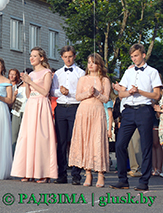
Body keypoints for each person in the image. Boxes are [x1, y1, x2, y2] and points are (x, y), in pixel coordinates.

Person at [111, 44, 162, 191]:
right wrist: (130, 92)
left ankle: (144, 181)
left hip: (144, 110)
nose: (134, 59)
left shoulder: (153, 72)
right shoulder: (129, 72)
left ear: (143, 55)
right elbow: (121, 94)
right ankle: (122, 180)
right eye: (132, 56)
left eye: (136, 56)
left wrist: (140, 91)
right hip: (128, 111)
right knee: (120, 144)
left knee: (146, 146)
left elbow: (156, 95)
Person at [11, 47, 58, 183]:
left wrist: (30, 82)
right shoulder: (30, 75)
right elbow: (27, 94)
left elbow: (45, 92)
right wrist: (26, 83)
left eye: (34, 56)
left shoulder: (47, 72)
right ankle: (28, 170)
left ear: (41, 58)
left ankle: (43, 172)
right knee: (27, 137)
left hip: (41, 104)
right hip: (31, 104)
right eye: (31, 56)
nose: (31, 58)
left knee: (41, 138)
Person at [68, 53, 111, 187]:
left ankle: (100, 174)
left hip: (97, 112)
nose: (90, 65)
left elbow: (106, 99)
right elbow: (77, 96)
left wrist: (97, 94)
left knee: (97, 142)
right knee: (84, 141)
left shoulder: (104, 80)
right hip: (83, 112)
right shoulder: (83, 79)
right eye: (88, 62)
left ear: (99, 64)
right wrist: (88, 93)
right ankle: (88, 174)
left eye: (93, 62)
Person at [51, 46, 85, 185]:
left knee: (75, 141)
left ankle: (76, 174)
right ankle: (62, 174)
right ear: (61, 58)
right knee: (61, 142)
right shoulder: (58, 73)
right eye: (65, 57)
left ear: (74, 56)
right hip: (60, 108)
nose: (68, 59)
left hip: (75, 106)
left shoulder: (81, 73)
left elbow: (83, 91)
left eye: (70, 56)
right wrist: (60, 92)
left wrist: (69, 92)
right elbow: (52, 91)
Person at [9, 68, 26, 153]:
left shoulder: (26, 86)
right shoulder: (18, 86)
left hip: (26, 111)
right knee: (14, 134)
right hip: (16, 110)